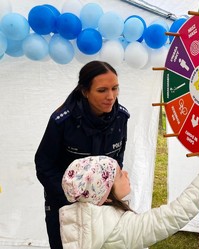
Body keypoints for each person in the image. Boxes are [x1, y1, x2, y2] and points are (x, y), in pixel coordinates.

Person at [35, 61, 130, 249]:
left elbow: (117, 160)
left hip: (103, 202)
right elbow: (44, 166)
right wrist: (73, 198)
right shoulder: (62, 121)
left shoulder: (121, 117)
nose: (111, 96)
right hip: (63, 202)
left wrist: (108, 195)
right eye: (102, 90)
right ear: (85, 91)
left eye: (115, 88)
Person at [59, 146, 199, 249]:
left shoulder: (82, 220)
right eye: (118, 175)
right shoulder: (117, 230)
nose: (125, 173)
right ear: (106, 195)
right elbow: (170, 217)